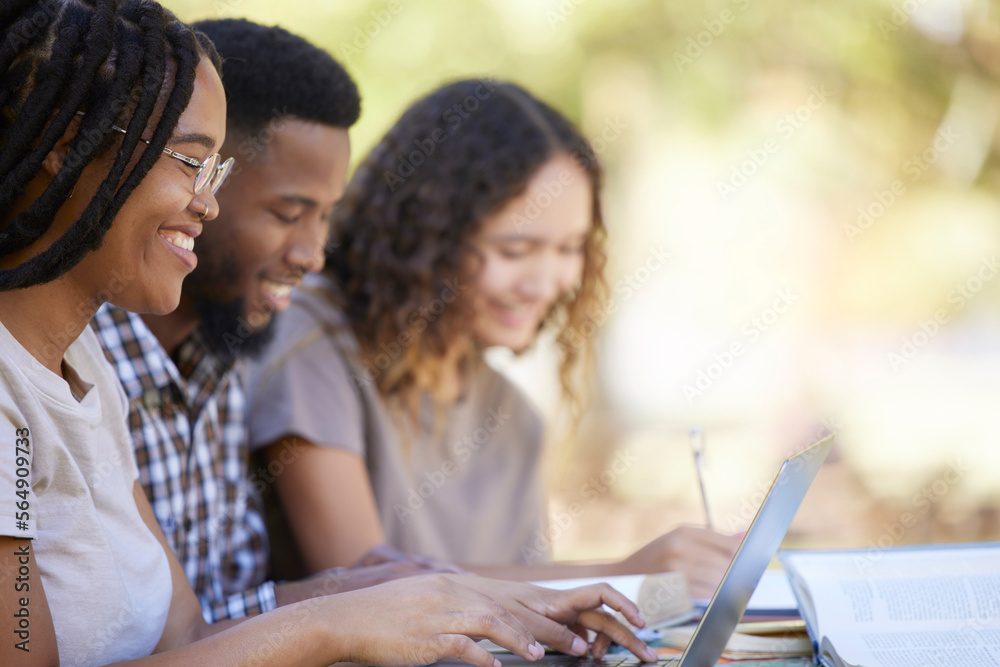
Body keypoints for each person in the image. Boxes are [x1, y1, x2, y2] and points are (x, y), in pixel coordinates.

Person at [0, 2, 658, 665]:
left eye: (216, 172)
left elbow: (185, 635)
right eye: (190, 163)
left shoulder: (83, 371)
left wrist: (402, 594)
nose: (208, 201)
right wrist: (332, 623)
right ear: (70, 147)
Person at [245, 79, 742, 597]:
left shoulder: (512, 417)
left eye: (569, 248)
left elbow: (529, 624)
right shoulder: (312, 344)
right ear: (426, 237)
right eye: (515, 250)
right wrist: (621, 575)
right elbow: (364, 589)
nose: (546, 282)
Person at [91, 17, 436, 624]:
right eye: (287, 212)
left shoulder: (227, 346)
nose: (312, 252)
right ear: (199, 180)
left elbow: (208, 614)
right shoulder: (75, 361)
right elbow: (137, 639)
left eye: (325, 216)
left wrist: (365, 588)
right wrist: (336, 603)